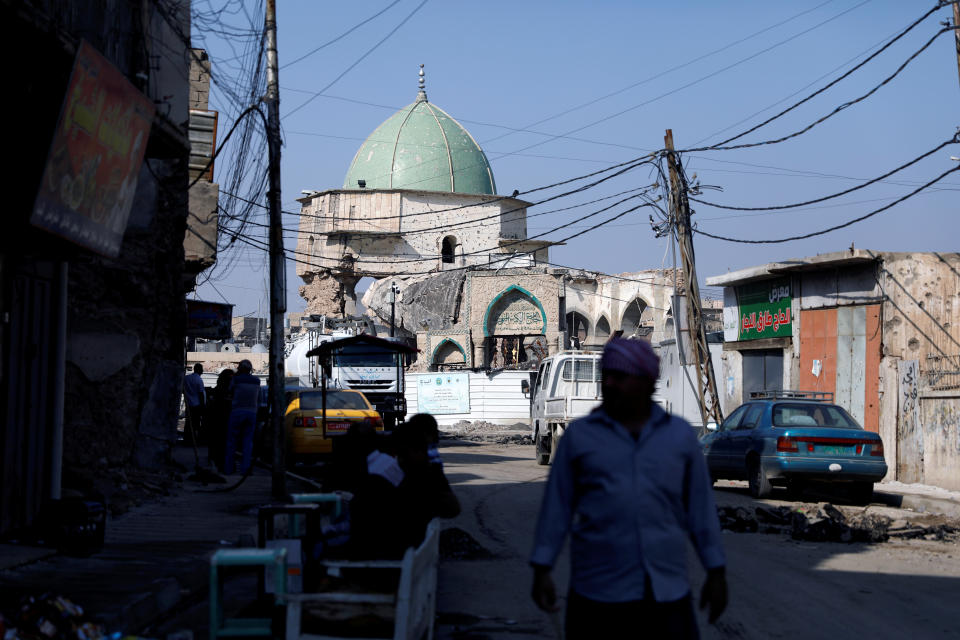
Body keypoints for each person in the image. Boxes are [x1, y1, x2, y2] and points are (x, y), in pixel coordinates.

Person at [529, 338, 727, 639]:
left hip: (666, 594)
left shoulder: (679, 438)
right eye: (605, 375)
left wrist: (716, 571)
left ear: (647, 382)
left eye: (620, 376)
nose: (608, 383)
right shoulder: (580, 438)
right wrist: (542, 567)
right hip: (597, 595)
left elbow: (701, 511)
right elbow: (556, 509)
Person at [224, 359, 260, 475]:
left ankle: (229, 469)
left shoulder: (236, 379)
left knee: (232, 441)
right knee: (248, 442)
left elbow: (229, 393)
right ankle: (246, 469)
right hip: (252, 413)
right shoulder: (257, 381)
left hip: (237, 411)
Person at [206, 368, 234, 472]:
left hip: (217, 418)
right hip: (223, 418)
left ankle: (215, 461)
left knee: (216, 441)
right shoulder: (227, 390)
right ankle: (221, 463)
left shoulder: (219, 389)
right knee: (222, 442)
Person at [182, 363, 206, 445]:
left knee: (188, 423)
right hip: (196, 405)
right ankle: (195, 441)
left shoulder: (186, 378)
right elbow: (201, 394)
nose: (202, 371)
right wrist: (203, 406)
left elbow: (182, 390)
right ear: (199, 370)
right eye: (202, 369)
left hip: (188, 404)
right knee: (196, 423)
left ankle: (187, 440)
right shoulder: (198, 380)